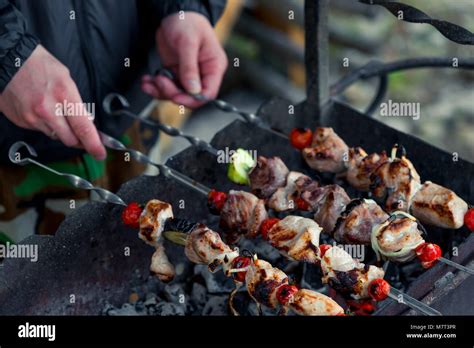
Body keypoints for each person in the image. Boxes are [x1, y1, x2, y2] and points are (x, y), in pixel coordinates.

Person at [0, 0, 228, 238]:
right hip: (16, 151)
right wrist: (8, 55)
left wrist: (184, 7)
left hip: (130, 110)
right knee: (29, 272)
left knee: (145, 247)